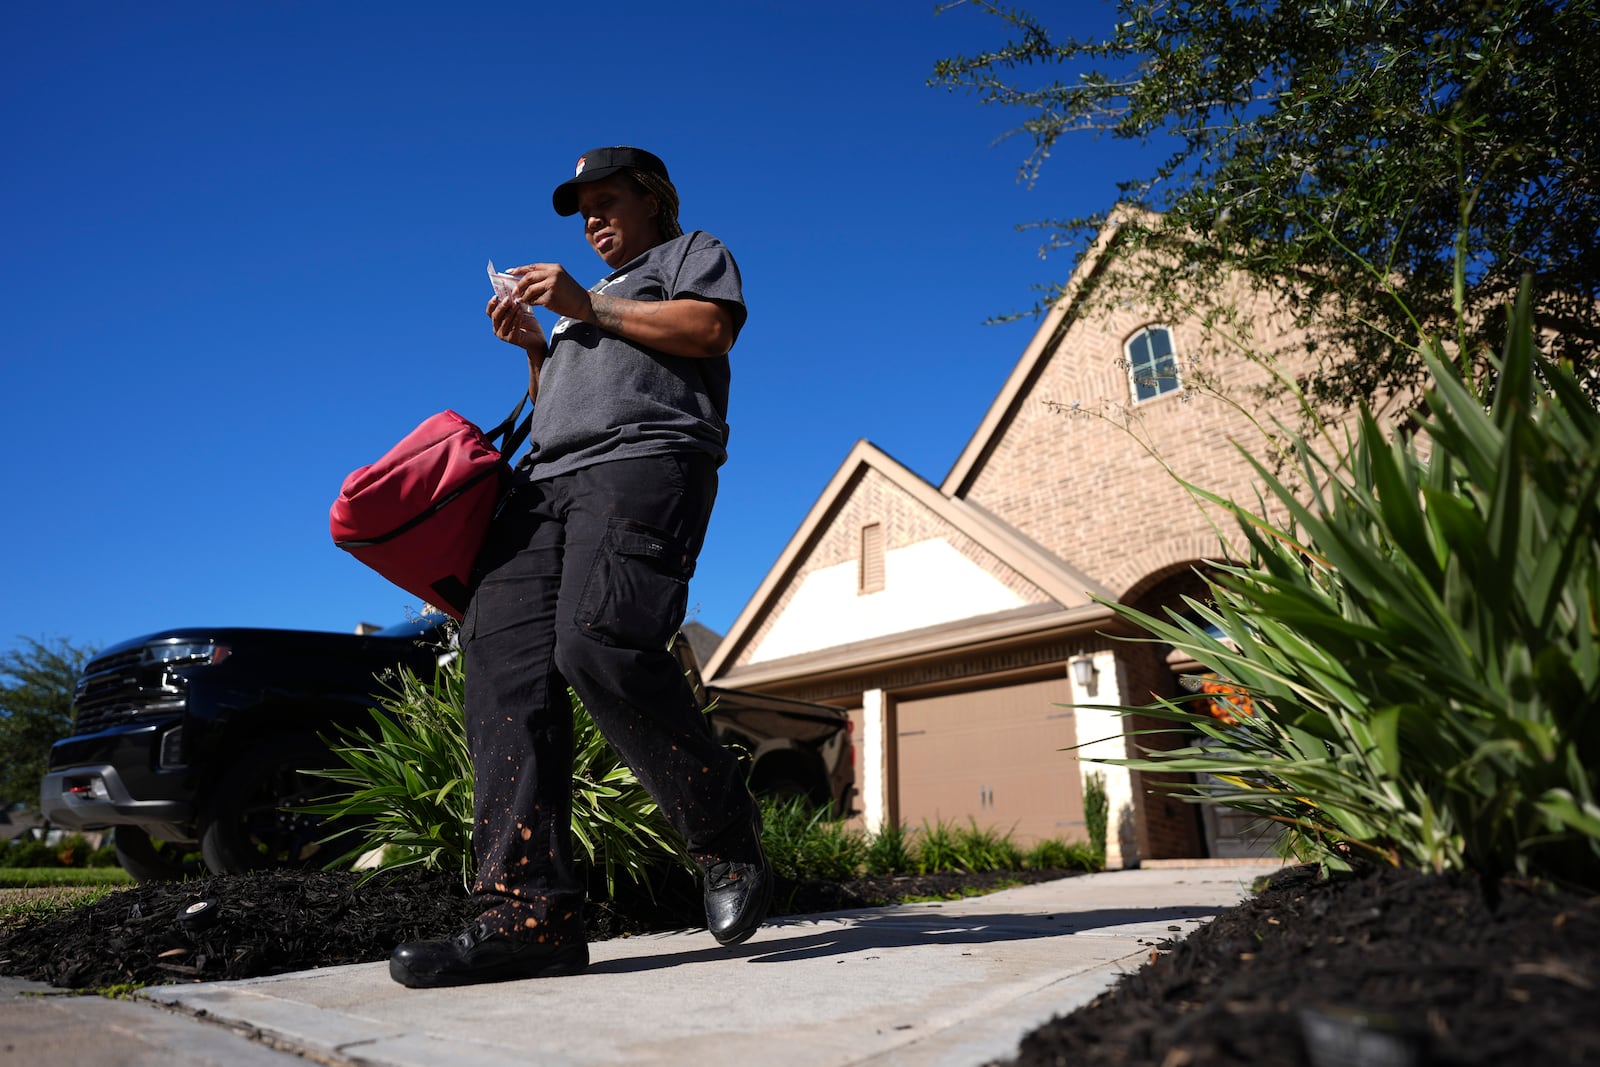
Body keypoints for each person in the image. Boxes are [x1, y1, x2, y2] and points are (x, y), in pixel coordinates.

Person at [390, 146, 770, 989]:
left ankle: (722, 831)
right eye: (582, 209)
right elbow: (564, 402)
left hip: (647, 463)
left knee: (597, 641)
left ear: (654, 200)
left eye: (608, 201)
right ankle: (527, 914)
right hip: (543, 486)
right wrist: (536, 345)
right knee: (502, 663)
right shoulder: (574, 313)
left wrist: (587, 303)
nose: (594, 219)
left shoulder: (687, 256)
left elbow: (708, 329)